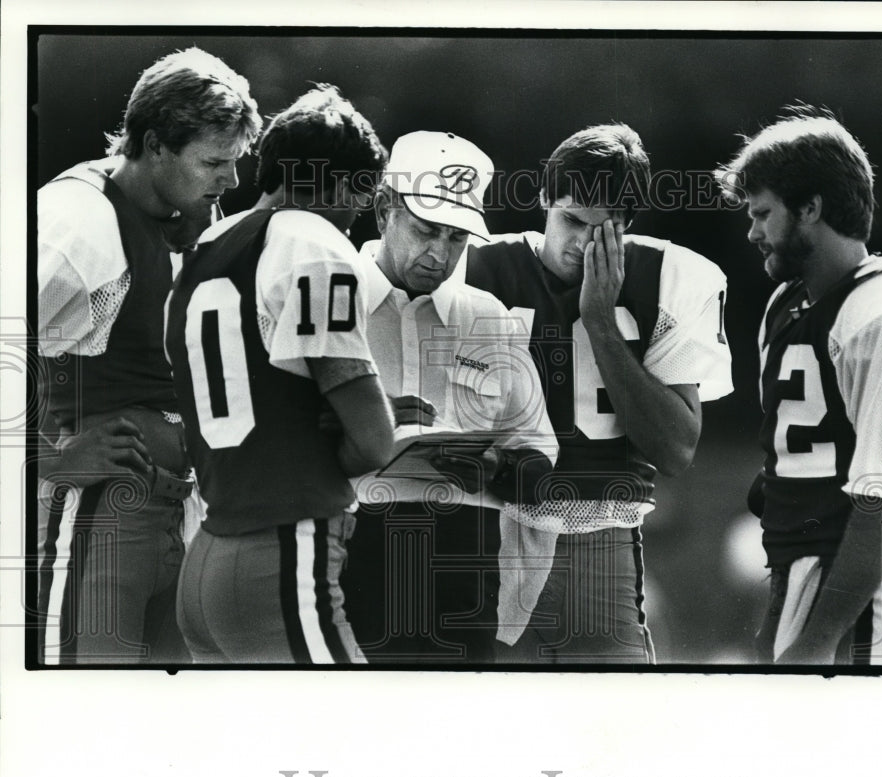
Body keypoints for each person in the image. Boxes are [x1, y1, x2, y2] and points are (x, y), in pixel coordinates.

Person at [464, 123, 733, 664]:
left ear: (627, 225)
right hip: (488, 543)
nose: (582, 242)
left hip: (602, 549)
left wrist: (600, 322)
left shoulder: (666, 276)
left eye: (602, 228)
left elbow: (677, 449)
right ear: (544, 199)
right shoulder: (475, 268)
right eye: (570, 220)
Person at [35, 47, 261, 665]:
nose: (231, 181)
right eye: (215, 162)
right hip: (100, 510)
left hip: (179, 514)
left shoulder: (188, 214)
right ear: (155, 144)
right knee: (87, 708)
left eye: (236, 162)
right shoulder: (79, 218)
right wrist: (45, 460)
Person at [164, 85, 395, 664]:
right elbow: (374, 443)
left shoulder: (204, 248)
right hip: (283, 551)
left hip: (207, 560)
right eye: (361, 196)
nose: (356, 214)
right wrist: (336, 441)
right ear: (344, 185)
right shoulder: (313, 242)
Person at [714, 105, 882, 665]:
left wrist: (818, 640)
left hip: (856, 585)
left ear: (812, 207)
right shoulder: (786, 304)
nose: (752, 232)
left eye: (764, 213)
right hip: (791, 573)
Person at [340, 130, 557, 665]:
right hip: (349, 546)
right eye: (427, 229)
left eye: (457, 237)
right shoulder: (330, 300)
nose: (439, 253)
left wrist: (500, 465)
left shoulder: (488, 318)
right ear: (385, 207)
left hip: (464, 555)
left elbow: (538, 452)